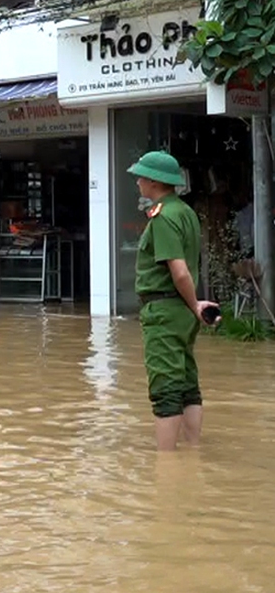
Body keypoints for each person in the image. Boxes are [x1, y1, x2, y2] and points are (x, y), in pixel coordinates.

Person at [129, 151, 221, 451]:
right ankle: (193, 450)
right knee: (186, 383)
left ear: (155, 181)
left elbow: (179, 272)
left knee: (165, 386)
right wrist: (193, 307)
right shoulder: (185, 212)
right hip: (181, 312)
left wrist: (194, 303)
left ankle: (166, 463)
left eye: (142, 176)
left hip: (166, 310)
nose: (138, 181)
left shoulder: (163, 217)